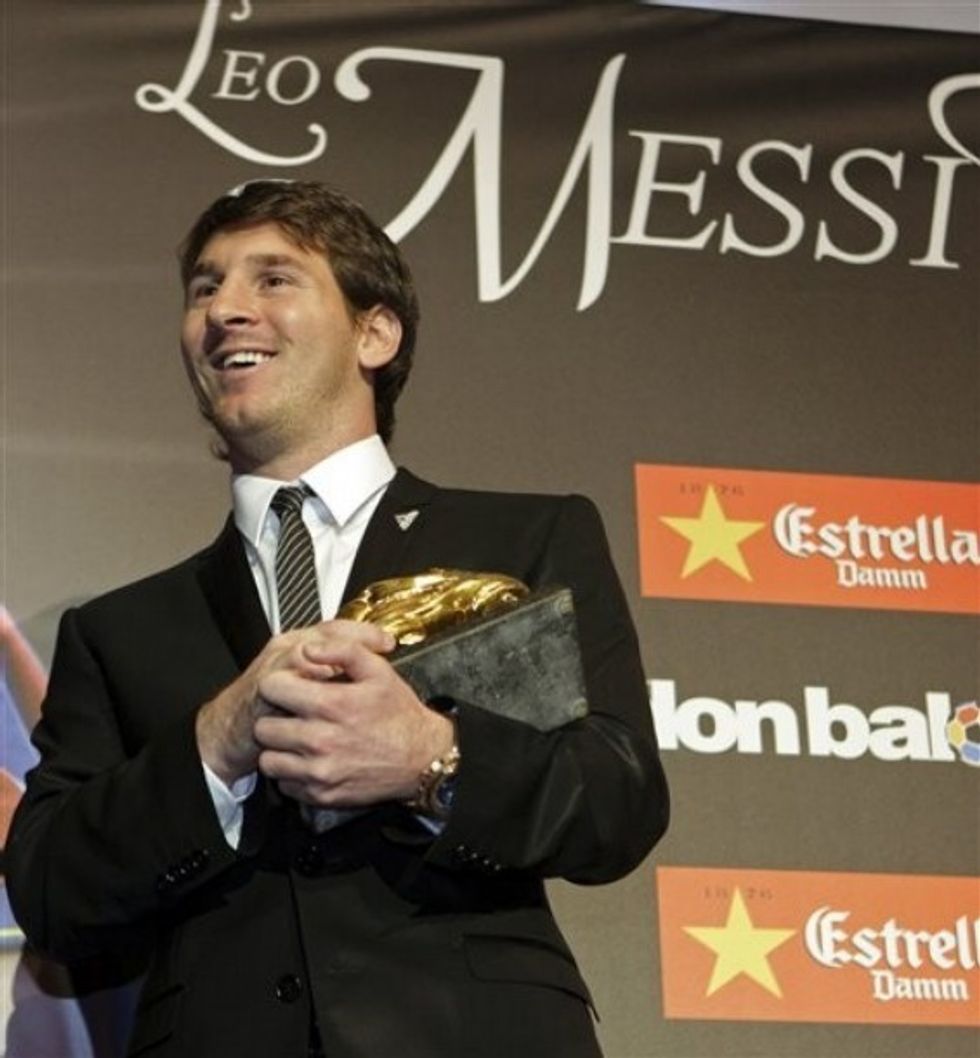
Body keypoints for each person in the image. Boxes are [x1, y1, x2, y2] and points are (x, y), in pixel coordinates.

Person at [7, 180, 669, 1058]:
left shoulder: (527, 536)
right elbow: (50, 890)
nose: (226, 311)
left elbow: (618, 800)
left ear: (374, 332)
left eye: (273, 280)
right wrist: (215, 739)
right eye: (205, 288)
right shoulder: (119, 631)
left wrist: (432, 759)